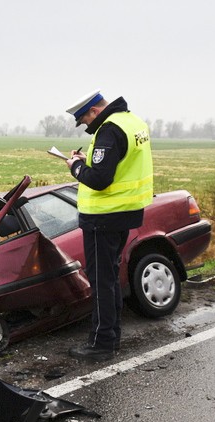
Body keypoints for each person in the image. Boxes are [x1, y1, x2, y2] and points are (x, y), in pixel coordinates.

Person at [63, 89, 153, 362]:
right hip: (125, 212)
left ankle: (102, 344)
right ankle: (111, 335)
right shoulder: (133, 122)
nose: (87, 129)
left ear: (92, 112)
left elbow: (100, 179)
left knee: (102, 281)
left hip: (104, 216)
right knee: (110, 276)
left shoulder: (109, 130)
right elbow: (121, 165)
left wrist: (75, 168)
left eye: (85, 122)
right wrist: (85, 160)